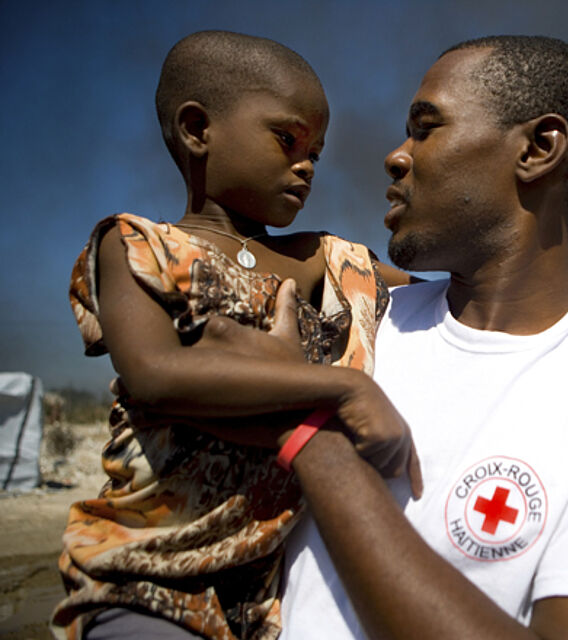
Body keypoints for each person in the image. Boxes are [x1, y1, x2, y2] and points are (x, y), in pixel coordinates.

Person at [202, 35, 568, 639]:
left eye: (425, 128)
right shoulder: (351, 322)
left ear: (539, 149)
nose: (395, 156)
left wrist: (310, 437)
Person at [53, 31, 420, 640]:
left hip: (266, 592)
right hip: (146, 571)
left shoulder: (328, 260)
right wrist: (340, 390)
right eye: (287, 139)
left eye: (316, 154)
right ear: (198, 130)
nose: (305, 165)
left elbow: (448, 294)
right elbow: (155, 374)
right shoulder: (139, 246)